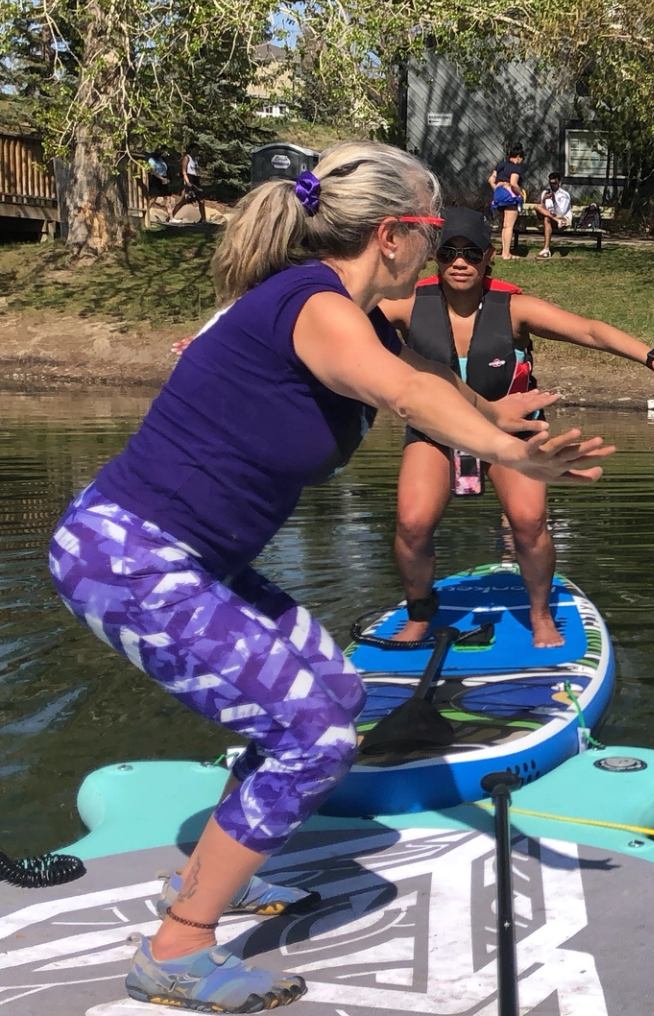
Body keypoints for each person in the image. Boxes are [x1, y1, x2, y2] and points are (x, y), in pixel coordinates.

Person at [45, 143, 614, 1010]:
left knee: (336, 695)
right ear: (393, 234)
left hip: (189, 559)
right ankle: (179, 948)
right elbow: (407, 397)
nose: (436, 249)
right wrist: (504, 452)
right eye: (430, 230)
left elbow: (426, 386)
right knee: (313, 734)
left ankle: (208, 881)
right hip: (129, 557)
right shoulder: (311, 304)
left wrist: (493, 416)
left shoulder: (345, 314)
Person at [379, 207, 654, 648]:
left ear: (489, 256)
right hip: (438, 430)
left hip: (513, 429)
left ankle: (539, 616)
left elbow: (589, 330)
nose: (460, 262)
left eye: (471, 253)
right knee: (412, 524)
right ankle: (420, 616)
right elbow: (345, 319)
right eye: (449, 252)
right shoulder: (404, 304)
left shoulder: (514, 308)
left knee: (529, 522)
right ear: (435, 257)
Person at [489, 144, 527, 259]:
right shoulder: (516, 167)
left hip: (499, 194)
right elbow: (514, 183)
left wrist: (497, 189)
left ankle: (504, 250)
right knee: (509, 226)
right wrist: (521, 194)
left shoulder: (501, 165)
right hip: (510, 196)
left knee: (504, 225)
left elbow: (490, 179)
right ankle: (506, 253)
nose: (521, 161)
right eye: (521, 159)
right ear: (518, 157)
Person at [530, 171, 573, 259]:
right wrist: (543, 200)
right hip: (553, 219)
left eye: (555, 183)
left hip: (563, 219)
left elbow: (562, 212)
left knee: (547, 218)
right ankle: (546, 250)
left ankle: (546, 250)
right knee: (538, 207)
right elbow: (541, 208)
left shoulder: (564, 195)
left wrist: (554, 201)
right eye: (550, 183)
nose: (552, 186)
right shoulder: (545, 192)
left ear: (559, 183)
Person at [166, 143, 206, 224]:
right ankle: (170, 217)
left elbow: (196, 170)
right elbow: (184, 171)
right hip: (189, 178)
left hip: (195, 179)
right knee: (183, 200)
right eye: (196, 149)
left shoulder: (195, 159)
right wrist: (187, 182)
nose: (197, 151)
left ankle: (203, 219)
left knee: (201, 200)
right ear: (191, 149)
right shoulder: (187, 158)